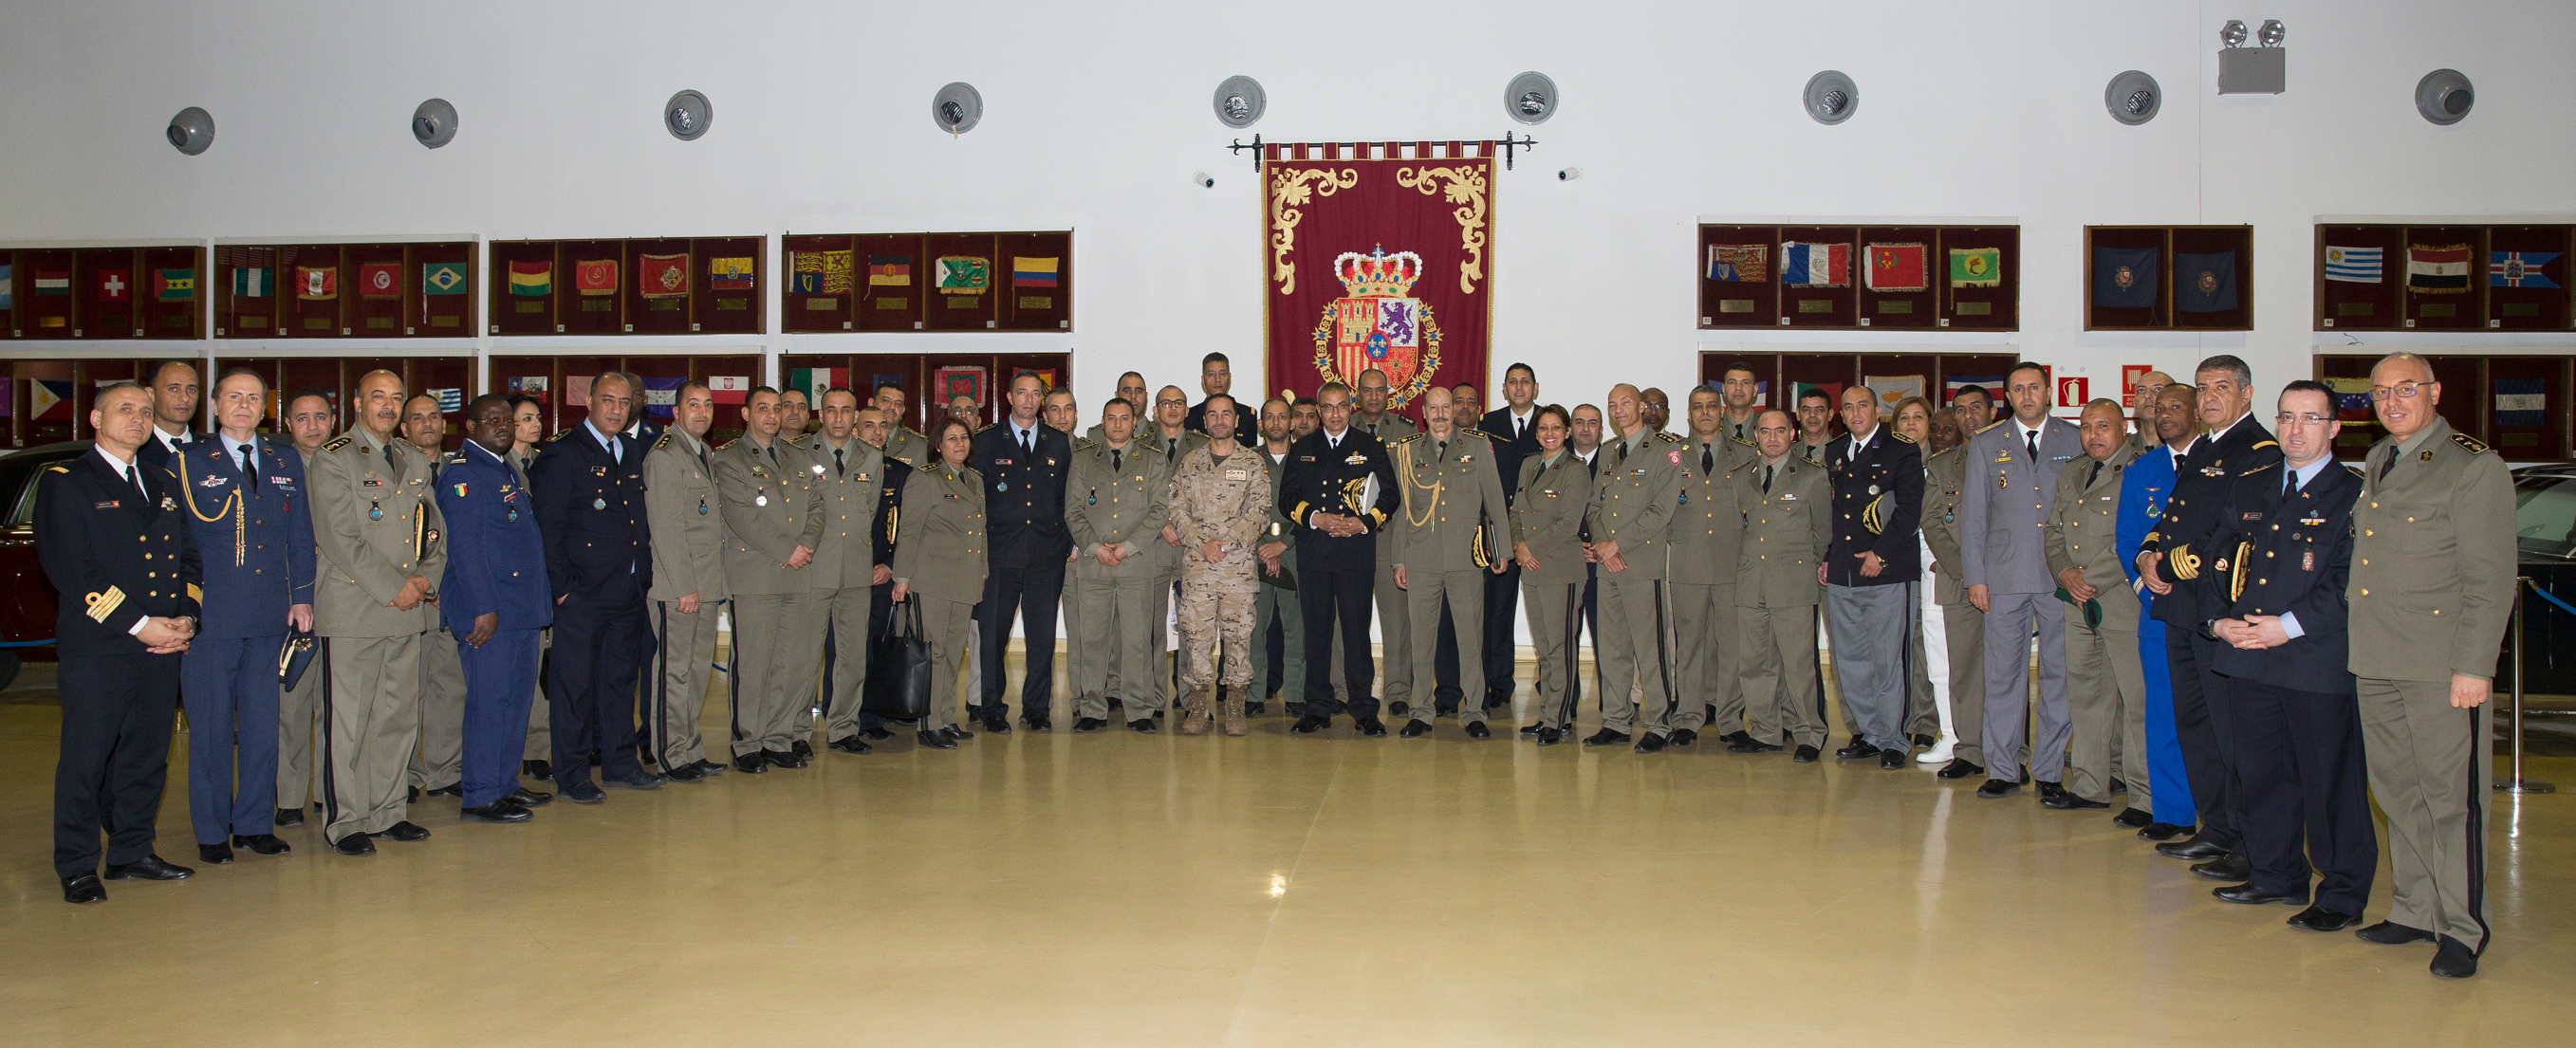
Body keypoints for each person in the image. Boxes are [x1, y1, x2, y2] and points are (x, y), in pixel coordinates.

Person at [2186, 382, 2376, 937]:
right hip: (2246, 653)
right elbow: (2218, 557)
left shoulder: (2355, 493)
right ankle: (2275, 873)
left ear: (2334, 428)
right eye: (2287, 417)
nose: (2295, 429)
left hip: (2314, 659)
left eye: (2310, 419)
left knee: (2329, 781)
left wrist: (2285, 627)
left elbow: (2350, 579)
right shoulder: (2255, 485)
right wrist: (2217, 620)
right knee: (2260, 772)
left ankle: (2341, 892)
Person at [2346, 352, 2514, 979]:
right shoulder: (2378, 460)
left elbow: (2490, 580)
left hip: (2440, 666)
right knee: (2396, 790)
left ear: (2434, 391)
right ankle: (2416, 908)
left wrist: (2473, 665)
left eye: (2405, 388)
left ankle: (2463, 926)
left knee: (2451, 799)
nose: (2391, 401)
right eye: (2380, 392)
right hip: (2377, 657)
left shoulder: (2472, 466)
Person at [42, 381, 202, 903]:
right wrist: (141, 624)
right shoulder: (68, 482)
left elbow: (188, 561)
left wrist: (187, 620)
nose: (137, 419)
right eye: (125, 409)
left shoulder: (160, 481)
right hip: (102, 647)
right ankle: (77, 863)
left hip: (161, 646)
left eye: (146, 412)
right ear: (94, 418)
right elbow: (72, 569)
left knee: (146, 756)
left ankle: (132, 851)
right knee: (87, 759)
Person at [2136, 355, 2282, 876]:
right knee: (2194, 722)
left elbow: (2238, 530)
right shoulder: (2206, 450)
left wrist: (2173, 564)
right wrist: (2147, 555)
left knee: (2229, 728)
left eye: (2222, 386)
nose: (2210, 397)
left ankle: (2247, 840)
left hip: (2219, 605)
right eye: (2203, 388)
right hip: (2180, 605)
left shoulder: (2259, 449)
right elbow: (2172, 516)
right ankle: (2216, 827)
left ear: (2246, 393)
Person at [173, 368, 310, 865]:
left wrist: (303, 596)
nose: (244, 406)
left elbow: (300, 536)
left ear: (265, 407)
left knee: (261, 724)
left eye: (254, 399)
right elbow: (178, 544)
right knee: (209, 728)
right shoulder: (186, 463)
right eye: (234, 397)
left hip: (270, 612)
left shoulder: (284, 459)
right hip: (213, 617)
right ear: (214, 405)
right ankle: (211, 831)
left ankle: (253, 823)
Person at [310, 369, 445, 855]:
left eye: (395, 398)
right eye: (378, 397)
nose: (388, 406)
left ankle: (389, 811)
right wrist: (396, 588)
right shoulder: (334, 459)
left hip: (406, 609)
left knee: (397, 716)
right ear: (357, 402)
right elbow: (338, 537)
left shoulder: (412, 458)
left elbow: (434, 529)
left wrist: (428, 578)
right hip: (355, 609)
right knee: (348, 723)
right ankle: (345, 821)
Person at [528, 374, 664, 802]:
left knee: (621, 682)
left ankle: (621, 764)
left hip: (626, 589)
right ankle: (571, 772)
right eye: (607, 400)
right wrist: (563, 589)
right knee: (575, 686)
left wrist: (641, 575)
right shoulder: (563, 453)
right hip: (582, 595)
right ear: (588, 401)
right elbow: (546, 530)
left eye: (624, 403)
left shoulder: (631, 450)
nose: (616, 409)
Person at [1961, 362, 2083, 800]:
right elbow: (1974, 516)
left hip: (2060, 576)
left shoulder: (2073, 438)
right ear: (2008, 398)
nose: (2027, 395)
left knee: (2058, 675)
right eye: (2018, 389)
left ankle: (2049, 770)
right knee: (2002, 675)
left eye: (2035, 387)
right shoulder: (1988, 442)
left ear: (2049, 393)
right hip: (2004, 575)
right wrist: (1976, 577)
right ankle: (2003, 768)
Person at [433, 395, 555, 824]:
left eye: (507, 420)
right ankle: (481, 793)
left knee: (516, 701)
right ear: (469, 426)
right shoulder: (464, 475)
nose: (503, 427)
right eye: (492, 421)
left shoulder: (504, 468)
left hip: (519, 609)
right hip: (490, 614)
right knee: (489, 702)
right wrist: (483, 608)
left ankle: (504, 783)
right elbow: (465, 549)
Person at [1386, 387, 1510, 739]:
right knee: (1422, 640)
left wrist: (1501, 552)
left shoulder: (1476, 446)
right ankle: (1421, 710)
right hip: (1420, 557)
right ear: (1424, 411)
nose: (1440, 414)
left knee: (1471, 638)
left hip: (1466, 558)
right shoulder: (1408, 451)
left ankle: (1474, 711)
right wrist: (1398, 558)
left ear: (1455, 411)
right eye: (1434, 408)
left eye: (1446, 407)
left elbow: (1495, 501)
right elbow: (1401, 511)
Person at [2043, 399, 2148, 813]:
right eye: (2086, 427)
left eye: (2103, 426)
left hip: (2122, 601)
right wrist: (2065, 573)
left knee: (2136, 702)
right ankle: (2089, 786)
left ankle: (2143, 796)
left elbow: (2140, 535)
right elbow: (2052, 531)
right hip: (2077, 602)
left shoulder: (2142, 469)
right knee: (2086, 697)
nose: (2093, 435)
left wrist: (2090, 579)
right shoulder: (2073, 471)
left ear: (2125, 427)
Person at [713, 387, 824, 771]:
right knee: (753, 666)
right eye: (763, 409)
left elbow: (817, 506)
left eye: (777, 409)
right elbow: (742, 516)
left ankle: (778, 740)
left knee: (791, 664)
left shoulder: (797, 456)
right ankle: (747, 743)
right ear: (746, 414)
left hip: (797, 574)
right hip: (756, 575)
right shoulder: (729, 459)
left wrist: (806, 545)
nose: (772, 416)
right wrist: (788, 551)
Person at [1283, 381, 1400, 736]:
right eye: (1327, 408)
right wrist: (1315, 518)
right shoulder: (1303, 448)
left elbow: (1390, 496)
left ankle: (1364, 708)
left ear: (1351, 408)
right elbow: (1287, 499)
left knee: (1355, 634)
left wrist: (1363, 523)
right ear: (1318, 411)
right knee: (1316, 635)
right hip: (1315, 553)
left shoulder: (1369, 446)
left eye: (1341, 407)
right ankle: (1317, 708)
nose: (1335, 414)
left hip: (1354, 554)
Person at [2116, 383, 2202, 838]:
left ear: (2197, 411)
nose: (2164, 413)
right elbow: (2128, 540)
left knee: (2210, 719)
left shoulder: (2217, 463)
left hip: (2209, 615)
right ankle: (2172, 814)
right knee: (2163, 715)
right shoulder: (2142, 469)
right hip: (2159, 612)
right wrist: (2144, 586)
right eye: (2158, 407)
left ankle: (2221, 819)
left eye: (2175, 406)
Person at [1823, 385, 1923, 770]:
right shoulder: (1834, 452)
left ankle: (1895, 738)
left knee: (1888, 659)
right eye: (1847, 408)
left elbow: (1909, 512)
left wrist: (1880, 554)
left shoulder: (1901, 449)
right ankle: (1869, 733)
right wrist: (1828, 557)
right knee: (1850, 659)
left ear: (1878, 409)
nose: (1855, 413)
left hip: (1885, 571)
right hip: (1844, 571)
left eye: (1862, 405)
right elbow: (1836, 515)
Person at [970, 370, 1075, 731]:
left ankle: (1036, 708)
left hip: (1046, 556)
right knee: (993, 637)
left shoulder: (1058, 442)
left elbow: (1066, 497)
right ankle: (992, 708)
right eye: (1022, 393)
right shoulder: (985, 442)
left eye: (1035, 394)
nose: (1029, 400)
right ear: (1010, 398)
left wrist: (1068, 540)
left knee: (1042, 638)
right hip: (999, 555)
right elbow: (975, 500)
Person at [1585, 383, 1686, 750]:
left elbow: (1661, 510)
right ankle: (1616, 721)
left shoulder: (1665, 451)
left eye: (1625, 402)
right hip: (1608, 566)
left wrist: (1617, 544)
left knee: (1651, 649)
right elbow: (1594, 506)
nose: (1618, 410)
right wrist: (1602, 546)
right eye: (1612, 404)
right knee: (1612, 649)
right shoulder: (1609, 451)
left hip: (1642, 564)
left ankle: (1659, 724)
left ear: (1642, 407)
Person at [1729, 410, 1832, 760]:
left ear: (1793, 434)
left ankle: (1808, 733)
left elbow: (1823, 533)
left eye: (1781, 431)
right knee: (1755, 663)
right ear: (1755, 435)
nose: (1773, 438)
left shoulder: (1812, 476)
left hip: (1793, 583)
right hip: (1750, 581)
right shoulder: (1741, 476)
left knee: (1799, 663)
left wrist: (1806, 566)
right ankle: (1766, 730)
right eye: (1765, 431)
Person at [640, 381, 732, 779]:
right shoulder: (665, 456)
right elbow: (666, 530)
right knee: (674, 673)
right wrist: (684, 587)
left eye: (708, 405)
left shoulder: (704, 452)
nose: (702, 412)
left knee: (696, 671)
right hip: (679, 588)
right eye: (692, 405)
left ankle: (690, 747)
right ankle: (669, 754)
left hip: (706, 583)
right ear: (675, 413)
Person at [1066, 395, 1172, 732]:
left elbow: (1160, 511)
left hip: (1136, 564)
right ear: (1102, 420)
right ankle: (1092, 708)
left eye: (1124, 418)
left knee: (1138, 640)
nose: (1117, 424)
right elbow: (1073, 510)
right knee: (1092, 640)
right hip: (1093, 564)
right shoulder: (1083, 460)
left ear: (1133, 422)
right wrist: (1095, 547)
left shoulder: (1152, 460)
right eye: (1111, 418)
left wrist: (1125, 548)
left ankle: (1138, 709)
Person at [1167, 395, 1271, 735]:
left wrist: (1228, 543)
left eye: (1226, 413)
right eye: (1213, 414)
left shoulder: (1252, 463)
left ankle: (1235, 709)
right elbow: (1177, 510)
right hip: (1198, 567)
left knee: (1238, 638)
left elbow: (1259, 512)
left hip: (1238, 569)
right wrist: (1202, 542)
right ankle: (1198, 709)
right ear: (1205, 421)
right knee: (1196, 638)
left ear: (1237, 420)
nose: (1220, 419)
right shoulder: (1190, 462)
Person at [798, 387, 887, 753]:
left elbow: (871, 510)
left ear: (855, 418)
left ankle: (844, 728)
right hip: (813, 568)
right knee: (805, 655)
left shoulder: (871, 457)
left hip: (855, 569)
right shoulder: (800, 452)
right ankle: (796, 730)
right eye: (831, 410)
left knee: (852, 656)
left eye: (845, 411)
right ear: (821, 415)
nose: (838, 418)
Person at [892, 415, 989, 749]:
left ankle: (946, 716)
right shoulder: (925, 479)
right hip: (930, 579)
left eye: (964, 438)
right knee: (931, 652)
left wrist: (983, 571)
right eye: (951, 438)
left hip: (964, 577)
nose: (960, 444)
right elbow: (909, 530)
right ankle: (928, 722)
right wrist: (901, 577)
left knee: (951, 652)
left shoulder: (975, 479)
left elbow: (981, 532)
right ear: (937, 445)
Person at [1668, 387, 1755, 745]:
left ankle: (1730, 718)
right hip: (1687, 562)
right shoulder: (1672, 455)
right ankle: (1688, 716)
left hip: (1733, 562)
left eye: (1710, 407)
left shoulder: (1747, 454)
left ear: (1722, 412)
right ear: (1689, 414)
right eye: (1697, 407)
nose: (1704, 413)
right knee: (1689, 644)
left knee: (1732, 645)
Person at [1511, 406, 1593, 745]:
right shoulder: (1530, 464)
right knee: (1544, 649)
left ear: (1568, 432)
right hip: (1531, 570)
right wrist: (1518, 544)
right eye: (1543, 428)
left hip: (1560, 569)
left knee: (1560, 648)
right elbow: (1515, 510)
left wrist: (1530, 548)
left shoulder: (1575, 471)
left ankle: (1557, 719)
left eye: (1556, 428)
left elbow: (1568, 524)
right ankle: (1549, 713)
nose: (1549, 433)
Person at [401, 394, 469, 801]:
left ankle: (445, 771)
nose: (427, 424)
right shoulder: (394, 471)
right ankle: (407, 775)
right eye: (417, 419)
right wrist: (423, 586)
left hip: (453, 599)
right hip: (413, 597)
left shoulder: (460, 469)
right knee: (408, 692)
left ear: (445, 426)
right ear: (404, 429)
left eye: (434, 417)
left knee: (450, 688)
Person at [275, 388, 337, 825]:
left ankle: (324, 793)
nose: (312, 426)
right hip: (292, 601)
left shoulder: (346, 463)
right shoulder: (276, 467)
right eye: (302, 418)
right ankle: (288, 798)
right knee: (291, 704)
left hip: (340, 599)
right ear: (288, 424)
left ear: (333, 421)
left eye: (320, 417)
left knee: (333, 706)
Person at [1350, 369, 1422, 718]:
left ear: (1388, 395)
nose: (1374, 397)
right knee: (1346, 621)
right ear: (1358, 395)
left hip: (1390, 539)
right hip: (1350, 541)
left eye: (1380, 391)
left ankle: (1398, 690)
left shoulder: (1407, 432)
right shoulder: (1343, 429)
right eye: (1368, 391)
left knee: (1397, 623)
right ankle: (1343, 688)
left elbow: (1412, 491)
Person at [1918, 405, 1985, 774]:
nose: (1944, 432)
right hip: (1953, 577)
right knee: (1954, 668)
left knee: (2007, 669)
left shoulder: (2002, 457)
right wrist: (1964, 569)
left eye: (1976, 408)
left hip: (2003, 580)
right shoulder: (1940, 467)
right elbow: (1931, 519)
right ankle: (1962, 742)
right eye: (1937, 427)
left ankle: (2008, 750)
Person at [1475, 363, 1544, 713]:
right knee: (1496, 612)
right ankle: (1497, 682)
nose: (1519, 387)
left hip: (1539, 534)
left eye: (1525, 382)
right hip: (1499, 532)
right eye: (1513, 383)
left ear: (1536, 387)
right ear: (1504, 389)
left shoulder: (1550, 421)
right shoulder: (1488, 425)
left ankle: (1554, 684)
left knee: (1547, 611)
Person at [1889, 396, 1945, 750]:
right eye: (1903, 418)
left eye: (1918, 417)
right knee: (1897, 644)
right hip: (1895, 563)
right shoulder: (1887, 463)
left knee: (1926, 647)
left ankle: (1925, 722)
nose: (1911, 424)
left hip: (1932, 564)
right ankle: (1896, 717)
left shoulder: (1943, 465)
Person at [854, 405, 910, 741]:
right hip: (845, 574)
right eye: (869, 425)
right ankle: (840, 718)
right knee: (841, 651)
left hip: (880, 575)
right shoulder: (840, 469)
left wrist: (891, 565)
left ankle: (871, 719)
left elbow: (909, 528)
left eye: (883, 426)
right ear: (856, 429)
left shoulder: (900, 473)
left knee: (875, 647)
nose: (877, 432)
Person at [506, 393, 553, 780]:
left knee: (543, 672)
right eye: (525, 419)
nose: (534, 424)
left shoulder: (544, 462)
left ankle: (538, 748)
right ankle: (511, 752)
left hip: (546, 580)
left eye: (537, 417)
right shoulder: (498, 466)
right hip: (515, 584)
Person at [1250, 397, 1306, 718]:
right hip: (1255, 553)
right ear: (1261, 424)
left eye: (1282, 417)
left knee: (1295, 628)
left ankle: (1296, 695)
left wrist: (1281, 544)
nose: (1275, 422)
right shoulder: (1248, 460)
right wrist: (1263, 547)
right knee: (1255, 628)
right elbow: (1238, 509)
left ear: (1292, 423)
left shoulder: (1307, 458)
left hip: (1294, 550)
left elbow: (1316, 505)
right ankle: (1255, 692)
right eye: (1269, 417)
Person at [135, 359, 203, 469]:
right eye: (173, 389)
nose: (185, 398)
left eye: (191, 390)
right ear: (151, 395)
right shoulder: (135, 450)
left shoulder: (212, 449)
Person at [1185, 353, 1259, 448]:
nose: (1218, 379)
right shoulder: (1189, 417)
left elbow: (1251, 454)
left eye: (1222, 374)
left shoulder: (1247, 415)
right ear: (1203, 379)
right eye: (1211, 374)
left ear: (1229, 377)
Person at [875, 381, 931, 469]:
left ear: (903, 411)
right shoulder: (856, 438)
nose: (892, 407)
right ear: (871, 403)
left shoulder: (919, 446)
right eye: (885, 401)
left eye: (898, 404)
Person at [1086, 372, 1151, 445]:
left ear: (1146, 396)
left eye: (1138, 391)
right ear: (1117, 395)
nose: (1133, 396)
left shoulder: (1159, 431)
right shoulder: (1096, 434)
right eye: (1127, 391)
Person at [1715, 362, 1764, 443]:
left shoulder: (1766, 427)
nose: (1738, 387)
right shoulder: (1711, 428)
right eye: (1732, 382)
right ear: (1724, 389)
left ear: (1755, 390)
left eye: (1745, 383)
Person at [2130, 371, 2176, 450]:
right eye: (2141, 390)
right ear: (2134, 403)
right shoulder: (2119, 448)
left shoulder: (2185, 447)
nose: (2147, 395)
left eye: (2158, 389)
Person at [1794, 387, 1836, 465]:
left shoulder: (1844, 453)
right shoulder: (1787, 454)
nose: (1812, 415)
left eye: (1819, 410)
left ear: (1830, 414)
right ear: (1798, 414)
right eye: (1806, 410)